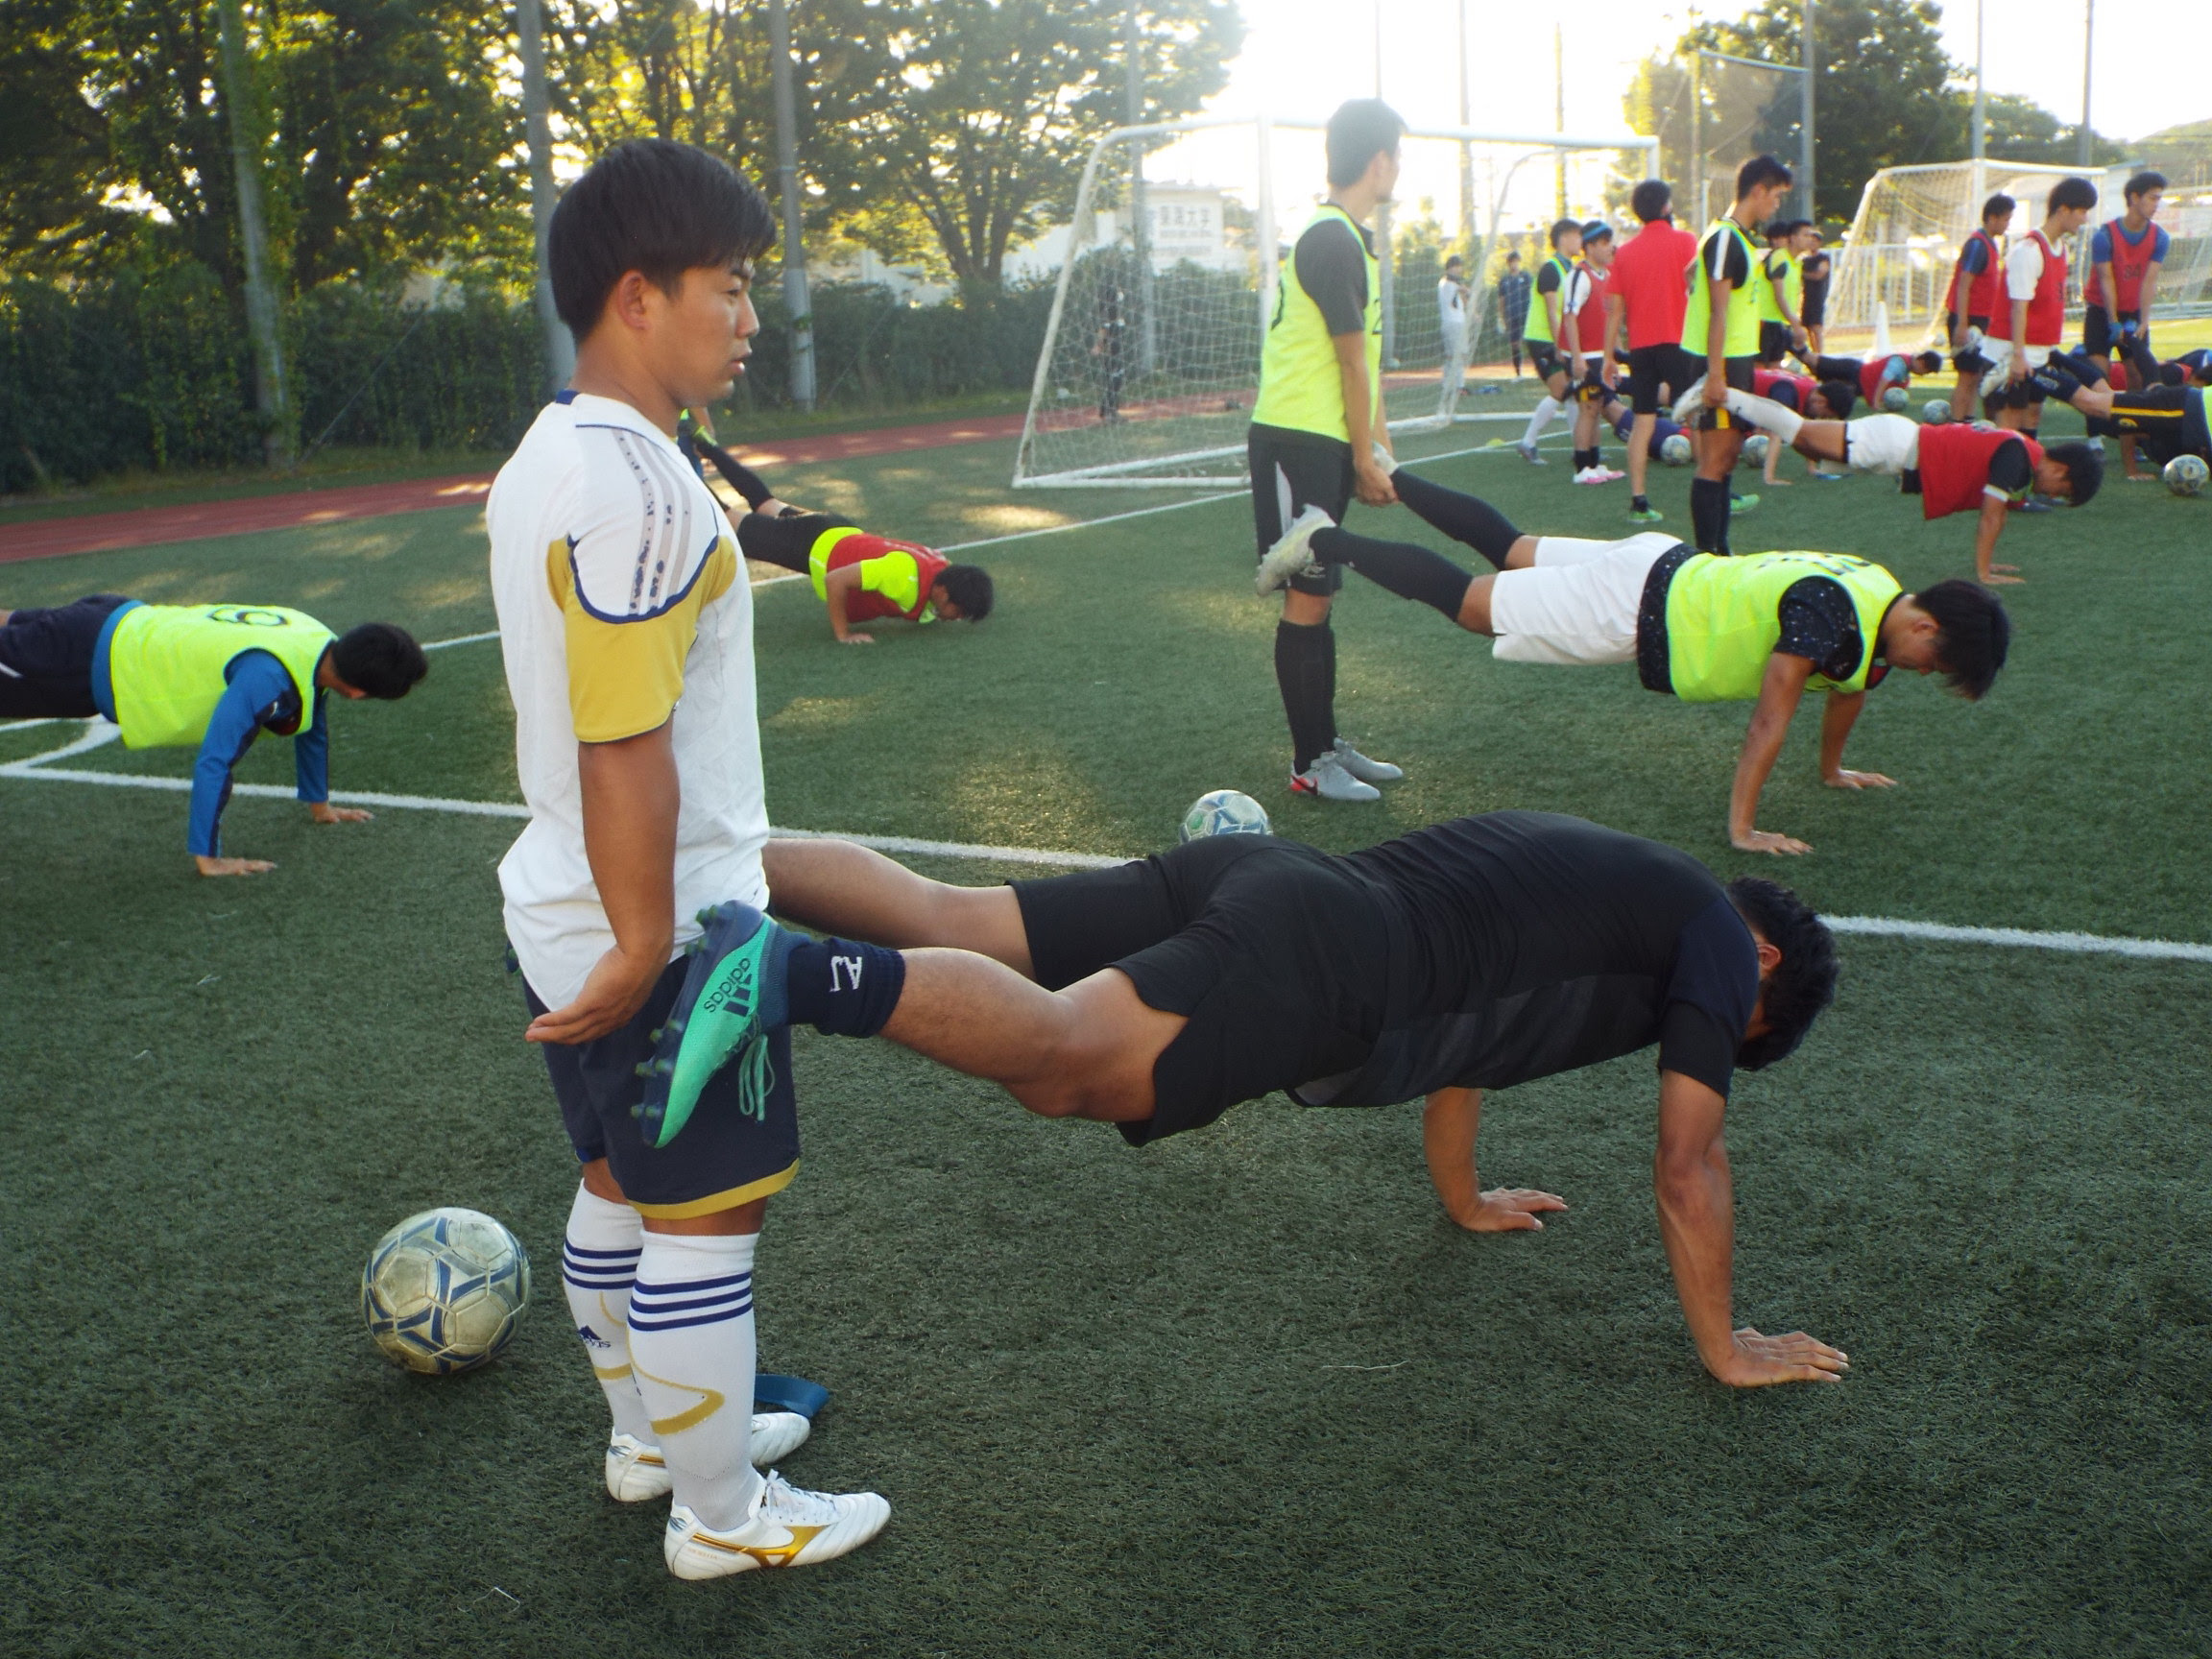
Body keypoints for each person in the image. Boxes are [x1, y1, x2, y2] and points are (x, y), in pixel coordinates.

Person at [640, 810, 1856, 1390]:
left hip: (1274, 876)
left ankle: (682, 863)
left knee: (955, 916)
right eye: (1746, 1035)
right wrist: (1725, 1344)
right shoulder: (1709, 932)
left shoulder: (1622, 892)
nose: (1717, 1045)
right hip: (1324, 956)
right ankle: (791, 973)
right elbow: (1688, 1164)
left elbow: (1481, 1037)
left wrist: (1464, 1196)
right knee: (1067, 1061)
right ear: (1761, 969)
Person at [484, 136, 891, 1583]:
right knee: (708, 1218)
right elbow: (624, 737)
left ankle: (650, 1439)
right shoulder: (644, 494)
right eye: (730, 284)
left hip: (555, 902)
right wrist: (655, 938)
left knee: (614, 1180)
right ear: (640, 296)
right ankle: (723, 1517)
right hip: (658, 919)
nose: (749, 313)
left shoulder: (553, 452)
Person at [1254, 466, 2009, 854]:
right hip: (1640, 608)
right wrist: (1743, 828)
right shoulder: (1833, 615)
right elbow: (1770, 718)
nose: (1922, 673)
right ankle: (1322, 540)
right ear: (1930, 626)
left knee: (1512, 550)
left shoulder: (1877, 593)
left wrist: (1831, 770)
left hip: (1661, 563)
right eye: (1932, 662)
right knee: (1473, 606)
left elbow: (1851, 687)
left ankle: (1387, 471)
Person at [0, 595, 422, 876]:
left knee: (11, 627)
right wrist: (209, 857)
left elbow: (312, 726)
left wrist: (321, 806)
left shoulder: (318, 639)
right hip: (86, 659)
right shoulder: (268, 676)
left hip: (109, 617)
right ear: (359, 691)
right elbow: (215, 759)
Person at [1244, 98, 1408, 805]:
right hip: (1296, 440)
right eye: (1396, 156)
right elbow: (1347, 362)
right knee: (1307, 600)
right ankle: (1309, 764)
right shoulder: (1333, 239)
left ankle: (1328, 743)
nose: (1398, 168)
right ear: (1379, 162)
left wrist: (1377, 442)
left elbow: (1361, 361)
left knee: (1323, 597)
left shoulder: (1344, 236)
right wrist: (1366, 458)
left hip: (1324, 438)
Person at [1714, 387, 2103, 586]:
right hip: (1894, 443)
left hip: (1894, 451)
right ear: (2062, 469)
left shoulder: (2025, 457)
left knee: (1800, 439)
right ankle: (1720, 394)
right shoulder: (2019, 459)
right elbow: (1991, 516)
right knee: (1798, 430)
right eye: (2063, 490)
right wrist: (1984, 572)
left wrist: (1989, 563)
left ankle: (1724, 399)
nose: (2053, 495)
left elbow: (1997, 515)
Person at [684, 441, 995, 643]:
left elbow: (950, 589)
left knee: (765, 503)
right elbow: (836, 580)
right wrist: (843, 634)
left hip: (838, 530)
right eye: (960, 611)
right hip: (813, 544)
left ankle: (704, 445)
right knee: (724, 520)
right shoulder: (905, 577)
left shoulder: (944, 569)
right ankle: (676, 458)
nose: (958, 618)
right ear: (942, 592)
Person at [1683, 156, 1796, 555]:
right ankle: (1707, 556)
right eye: (1777, 196)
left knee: (1727, 458)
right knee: (1715, 461)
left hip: (1737, 360)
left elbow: (1692, 275)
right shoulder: (1726, 238)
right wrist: (1715, 375)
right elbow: (1717, 311)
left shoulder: (1736, 240)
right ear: (1757, 191)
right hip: (1724, 363)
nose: (1777, 206)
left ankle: (1720, 550)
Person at [1607, 180, 1701, 524]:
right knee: (1698, 416)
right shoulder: (1686, 240)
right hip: (1678, 343)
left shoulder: (1625, 253)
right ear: (1666, 207)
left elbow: (1615, 312)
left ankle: (1639, 501)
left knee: (1643, 422)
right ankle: (1716, 489)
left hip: (1642, 349)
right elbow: (1700, 287)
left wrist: (1607, 357)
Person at [1982, 177, 2100, 433]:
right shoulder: (2029, 250)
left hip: (2038, 355)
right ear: (2063, 210)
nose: (2085, 218)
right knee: (2008, 430)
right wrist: (2017, 357)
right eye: (2082, 211)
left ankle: (2028, 471)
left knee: (2031, 420)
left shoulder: (2061, 248)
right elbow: (2018, 308)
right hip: (2011, 354)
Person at [1510, 219, 1586, 464]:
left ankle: (1580, 448)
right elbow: (1553, 312)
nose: (1581, 241)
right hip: (1543, 339)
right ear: (1563, 238)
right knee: (1561, 390)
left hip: (1555, 340)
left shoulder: (1569, 269)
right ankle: (1528, 442)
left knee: (1573, 392)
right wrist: (1561, 346)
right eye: (1577, 236)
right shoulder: (1551, 269)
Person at [2082, 172, 2169, 386]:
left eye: (2159, 198)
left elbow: (2149, 281)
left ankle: (2134, 418)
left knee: (2137, 374)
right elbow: (2106, 280)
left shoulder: (2160, 237)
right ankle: (2100, 419)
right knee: (2098, 376)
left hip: (2133, 312)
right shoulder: (2105, 236)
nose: (2157, 204)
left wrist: (2144, 321)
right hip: (2101, 311)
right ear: (2134, 198)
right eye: (2152, 198)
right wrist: (2113, 322)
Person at [1944, 194, 2014, 422]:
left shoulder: (1990, 244)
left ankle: (1967, 421)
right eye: (2005, 219)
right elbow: (1964, 285)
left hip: (1981, 320)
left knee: (1975, 376)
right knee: (1967, 376)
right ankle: (1955, 426)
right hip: (1968, 319)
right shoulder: (1977, 245)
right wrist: (1962, 325)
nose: (2007, 224)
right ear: (1992, 218)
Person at [1568, 223, 1623, 484]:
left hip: (1600, 354)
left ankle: (1595, 462)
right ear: (1589, 247)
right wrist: (1577, 357)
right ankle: (1581, 468)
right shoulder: (1580, 275)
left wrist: (1612, 355)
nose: (1610, 247)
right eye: (1604, 242)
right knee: (1587, 408)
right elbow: (1570, 316)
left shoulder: (1606, 274)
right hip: (1585, 356)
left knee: (1598, 407)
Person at [1754, 220, 1809, 366]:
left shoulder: (1795, 262)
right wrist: (1795, 324)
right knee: (1760, 368)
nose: (1809, 239)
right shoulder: (1779, 257)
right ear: (1792, 237)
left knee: (1775, 367)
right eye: (1805, 235)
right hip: (1765, 320)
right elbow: (1779, 296)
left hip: (1780, 322)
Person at [1437, 253, 1471, 402]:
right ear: (1449, 268)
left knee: (1454, 356)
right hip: (1452, 324)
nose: (1458, 270)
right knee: (1456, 356)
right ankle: (1458, 386)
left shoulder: (1452, 284)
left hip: (1457, 322)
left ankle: (1451, 385)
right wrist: (1467, 290)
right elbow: (1465, 291)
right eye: (1456, 267)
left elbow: (1463, 299)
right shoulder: (1447, 283)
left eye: (1459, 267)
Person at [1094, 277, 1128, 422]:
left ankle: (1108, 411)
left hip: (1118, 352)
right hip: (1110, 352)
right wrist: (1099, 346)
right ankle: (1109, 413)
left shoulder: (1119, 315)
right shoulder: (1109, 313)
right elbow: (1103, 330)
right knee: (1114, 380)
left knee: (1116, 381)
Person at [1497, 251, 1532, 377]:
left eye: (1516, 261)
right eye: (1512, 262)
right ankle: (1518, 373)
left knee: (1531, 342)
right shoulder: (1504, 280)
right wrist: (1501, 317)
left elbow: (1533, 294)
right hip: (1512, 315)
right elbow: (1501, 299)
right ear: (1508, 264)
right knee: (1515, 344)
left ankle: (1539, 369)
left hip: (1526, 314)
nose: (1514, 264)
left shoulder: (1526, 277)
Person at [1797, 233, 1831, 358]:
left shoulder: (1823, 258)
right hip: (1806, 295)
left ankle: (1820, 354)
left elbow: (1819, 275)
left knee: (1816, 326)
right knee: (1808, 326)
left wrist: (1803, 274)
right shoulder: (1804, 260)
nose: (1812, 244)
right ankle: (1814, 353)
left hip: (1818, 296)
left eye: (1815, 241)